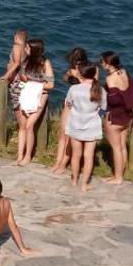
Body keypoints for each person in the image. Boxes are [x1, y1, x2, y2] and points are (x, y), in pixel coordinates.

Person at [51, 47, 91, 175]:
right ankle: (58, 161)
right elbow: (65, 79)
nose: (76, 64)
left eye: (78, 62)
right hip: (70, 100)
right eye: (74, 62)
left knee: (70, 135)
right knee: (63, 133)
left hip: (82, 104)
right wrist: (69, 74)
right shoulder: (72, 69)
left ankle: (63, 164)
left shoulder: (90, 69)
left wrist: (79, 76)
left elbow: (92, 84)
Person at [102, 51, 133, 185]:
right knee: (123, 146)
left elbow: (114, 100)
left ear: (108, 64)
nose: (101, 65)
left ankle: (118, 177)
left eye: (102, 62)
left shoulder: (110, 79)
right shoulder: (124, 72)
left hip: (115, 116)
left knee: (116, 148)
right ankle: (121, 173)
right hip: (127, 115)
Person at [15, 39, 54, 166]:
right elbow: (23, 76)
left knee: (29, 126)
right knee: (23, 125)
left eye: (27, 48)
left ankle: (28, 156)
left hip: (40, 96)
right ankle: (19, 155)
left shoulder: (45, 63)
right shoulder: (25, 61)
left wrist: (34, 86)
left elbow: (50, 84)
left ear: (33, 49)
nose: (25, 50)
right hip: (26, 94)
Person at [67, 63, 105, 192]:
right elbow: (104, 107)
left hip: (76, 124)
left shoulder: (74, 89)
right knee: (89, 156)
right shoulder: (99, 90)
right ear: (94, 74)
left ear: (81, 75)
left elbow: (69, 103)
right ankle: (84, 184)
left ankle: (74, 180)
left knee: (76, 155)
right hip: (92, 126)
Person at [1, 29, 29, 163]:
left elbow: (17, 63)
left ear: (17, 37)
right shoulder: (27, 49)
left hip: (16, 83)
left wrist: (6, 75)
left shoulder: (17, 47)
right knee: (25, 117)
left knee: (21, 121)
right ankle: (25, 151)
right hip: (24, 83)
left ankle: (21, 154)